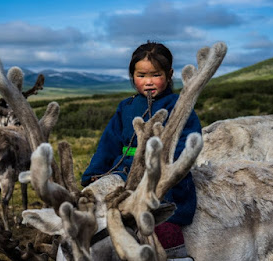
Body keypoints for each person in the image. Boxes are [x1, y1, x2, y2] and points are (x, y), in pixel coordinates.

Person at [81, 41, 201, 260]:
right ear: (132, 75)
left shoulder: (179, 106)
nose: (148, 82)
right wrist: (93, 175)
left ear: (169, 74)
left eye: (155, 75)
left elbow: (187, 142)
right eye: (141, 75)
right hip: (123, 175)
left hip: (163, 181)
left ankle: (177, 256)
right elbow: (109, 143)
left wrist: (165, 167)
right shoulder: (125, 107)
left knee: (162, 223)